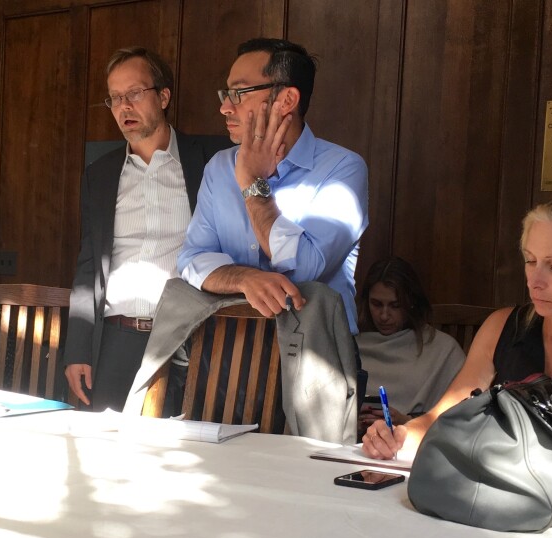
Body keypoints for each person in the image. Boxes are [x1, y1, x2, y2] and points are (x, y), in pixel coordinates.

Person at [363, 195, 552, 460]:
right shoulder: (502, 327)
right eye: (530, 261)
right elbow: (443, 418)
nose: (534, 281)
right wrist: (399, 437)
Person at [63, 46, 230, 412]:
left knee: (187, 455)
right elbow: (89, 262)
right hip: (115, 339)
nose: (124, 107)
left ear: (163, 96)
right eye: (115, 98)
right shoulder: (100, 175)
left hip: (190, 338)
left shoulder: (210, 162)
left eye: (135, 93)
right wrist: (76, 348)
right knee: (106, 456)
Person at [177, 38, 368, 333]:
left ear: (287, 100)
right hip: (229, 350)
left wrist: (253, 183)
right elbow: (191, 258)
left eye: (238, 93)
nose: (225, 108)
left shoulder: (343, 169)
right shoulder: (220, 166)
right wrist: (244, 278)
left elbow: (305, 269)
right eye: (225, 94)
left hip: (315, 355)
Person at [355, 257, 464, 431]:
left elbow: (459, 418)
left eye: (395, 305)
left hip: (415, 443)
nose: (384, 315)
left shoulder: (443, 350)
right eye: (376, 304)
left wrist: (407, 422)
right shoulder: (353, 344)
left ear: (411, 303)